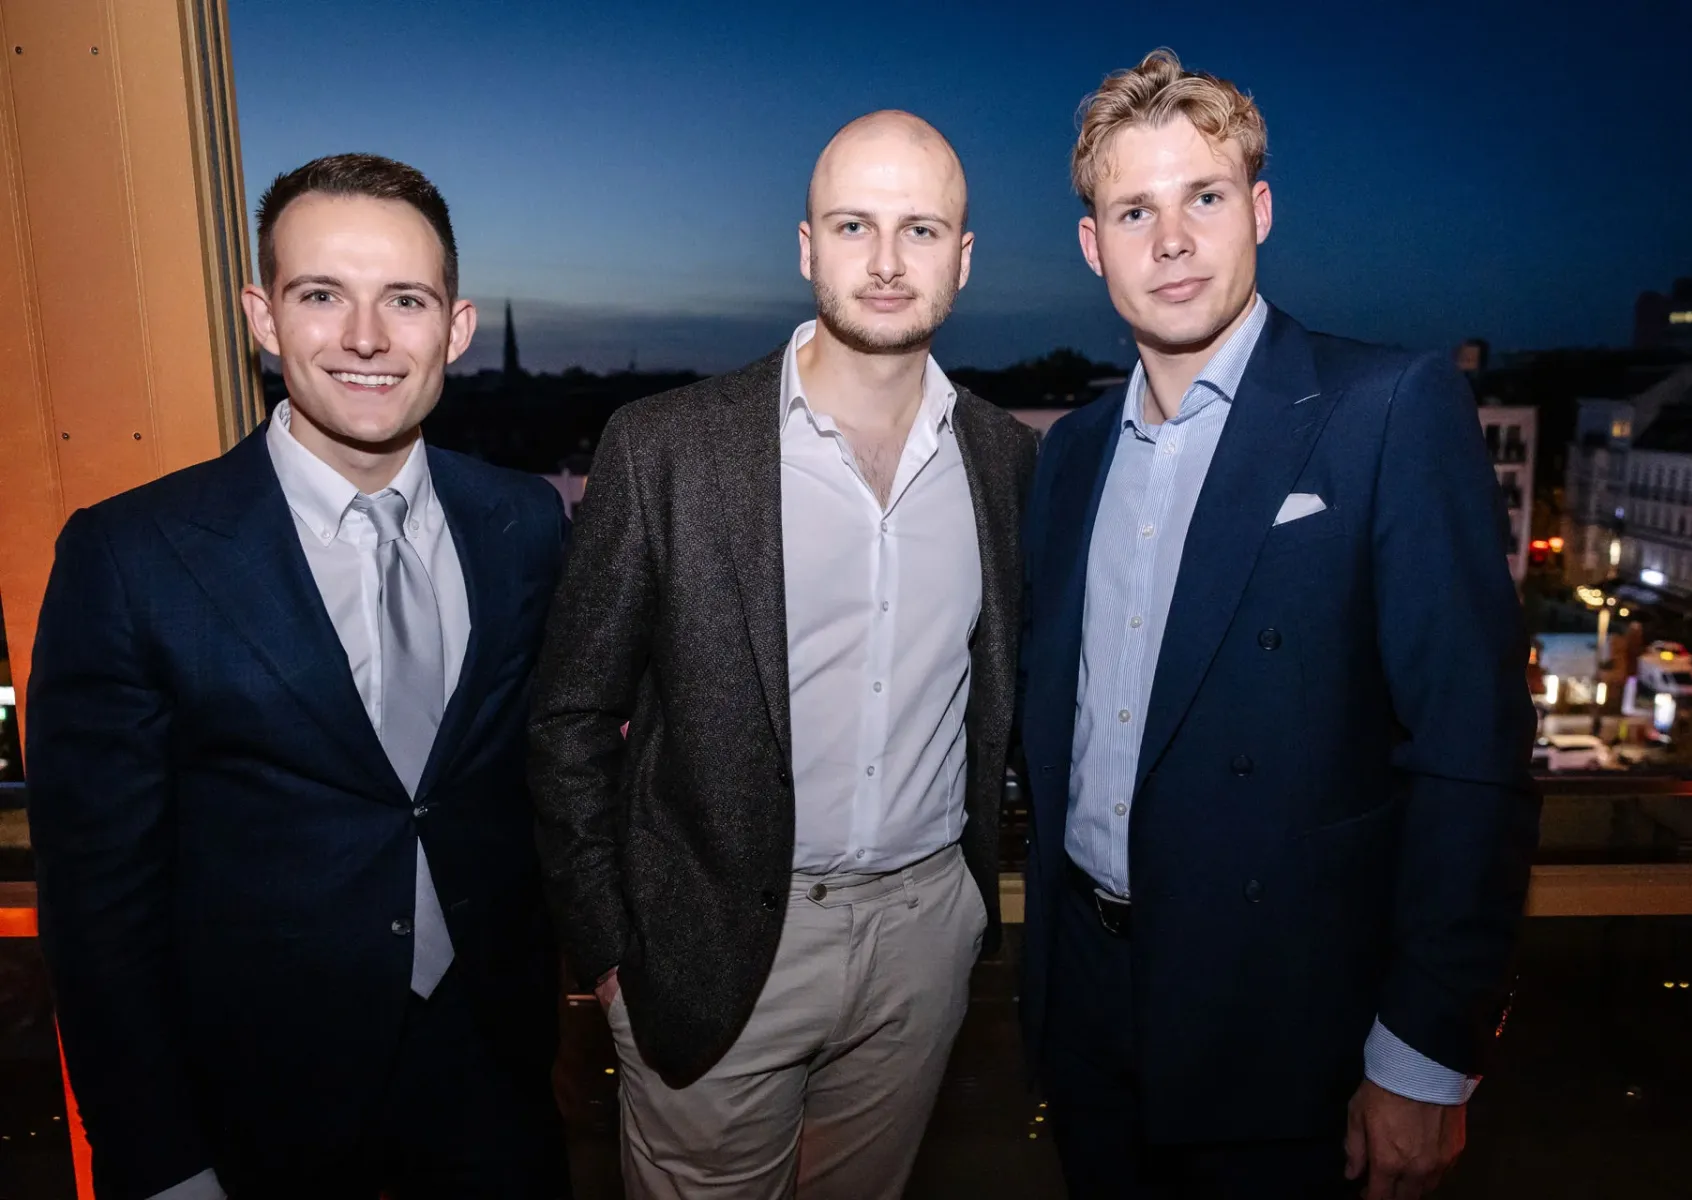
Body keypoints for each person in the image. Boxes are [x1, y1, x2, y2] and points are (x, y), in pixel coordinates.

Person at [1016, 51, 1540, 1200]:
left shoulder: (1387, 408)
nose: (1172, 241)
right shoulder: (1073, 454)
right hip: (1090, 1009)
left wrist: (1426, 1054)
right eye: (1134, 211)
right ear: (1093, 245)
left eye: (1203, 197)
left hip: (1291, 1026)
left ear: (1258, 210)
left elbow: (1473, 753)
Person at [28, 154, 570, 1200]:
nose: (365, 338)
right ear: (263, 318)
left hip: (494, 1082)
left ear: (455, 328)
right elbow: (97, 909)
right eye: (322, 294)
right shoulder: (133, 557)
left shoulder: (523, 522)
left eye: (404, 299)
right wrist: (160, 1161)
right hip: (257, 1112)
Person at [529, 110, 1037, 1200]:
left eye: (920, 229)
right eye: (854, 226)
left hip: (922, 941)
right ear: (808, 247)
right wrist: (610, 953)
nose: (887, 262)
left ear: (962, 258)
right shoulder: (666, 447)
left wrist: (962, 917)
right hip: (708, 945)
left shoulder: (1003, 460)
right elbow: (571, 718)